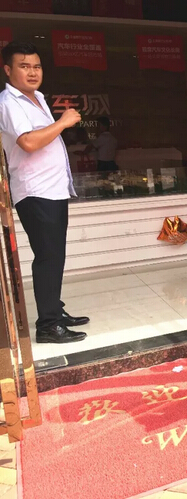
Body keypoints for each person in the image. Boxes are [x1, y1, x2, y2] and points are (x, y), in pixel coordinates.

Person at [0, 41, 89, 344]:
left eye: (36, 66)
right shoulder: (9, 103)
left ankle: (55, 311)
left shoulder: (37, 98)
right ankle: (48, 326)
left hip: (53, 190)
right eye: (24, 66)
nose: (32, 72)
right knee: (48, 257)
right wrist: (63, 122)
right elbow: (28, 142)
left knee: (55, 255)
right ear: (8, 70)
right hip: (35, 191)